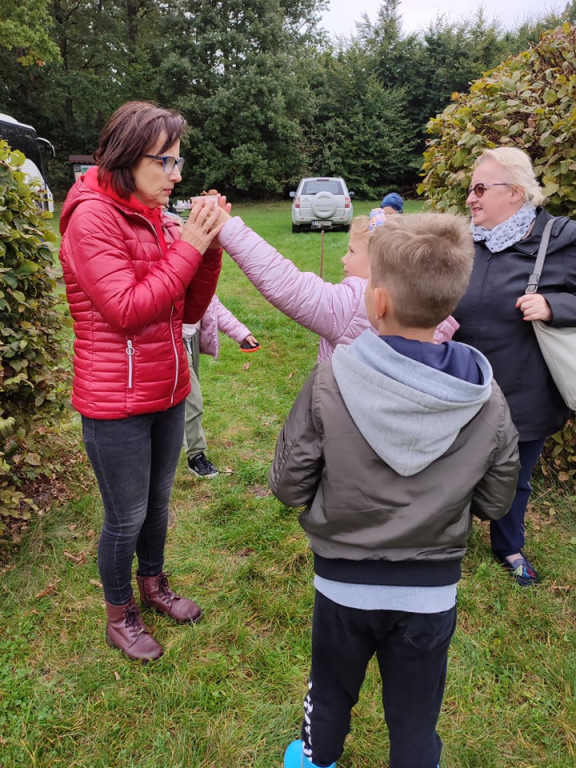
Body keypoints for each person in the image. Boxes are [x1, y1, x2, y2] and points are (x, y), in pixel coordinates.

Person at [269, 212, 520, 768]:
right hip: (430, 590)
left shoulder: (330, 379)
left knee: (330, 689)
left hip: (343, 581)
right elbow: (497, 500)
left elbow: (288, 485)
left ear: (376, 302)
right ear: (448, 305)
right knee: (416, 713)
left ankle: (315, 757)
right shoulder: (487, 397)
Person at [58, 100, 229, 661]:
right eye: (168, 163)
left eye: (180, 163)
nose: (177, 176)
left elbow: (185, 312)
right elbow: (127, 309)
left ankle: (153, 586)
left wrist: (206, 251)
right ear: (130, 158)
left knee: (157, 504)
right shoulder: (90, 218)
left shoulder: (156, 216)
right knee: (125, 515)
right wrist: (189, 246)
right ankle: (119, 613)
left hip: (167, 386)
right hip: (114, 400)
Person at [453, 146, 576, 586]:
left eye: (482, 188)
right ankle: (448, 540)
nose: (471, 198)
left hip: (525, 390)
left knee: (516, 477)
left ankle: (508, 545)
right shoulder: (463, 239)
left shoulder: (559, 237)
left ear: (517, 193)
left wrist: (555, 304)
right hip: (461, 384)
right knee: (453, 469)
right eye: (471, 188)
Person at [217, 212, 458, 362]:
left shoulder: (355, 305)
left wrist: (228, 228)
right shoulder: (433, 310)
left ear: (378, 262)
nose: (344, 258)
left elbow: (287, 284)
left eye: (352, 251)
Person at [183, 295, 260, 478]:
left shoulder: (199, 273)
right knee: (192, 401)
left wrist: (242, 334)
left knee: (181, 399)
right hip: (168, 340)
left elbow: (212, 305)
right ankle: (195, 456)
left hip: (191, 338)